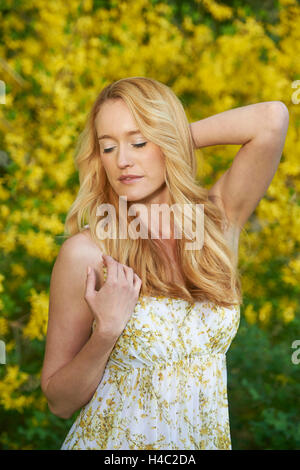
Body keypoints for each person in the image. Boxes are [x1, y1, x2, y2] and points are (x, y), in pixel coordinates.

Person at [41, 77, 289, 450]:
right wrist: (106, 332)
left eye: (138, 142)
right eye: (108, 148)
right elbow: (59, 401)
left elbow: (272, 118)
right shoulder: (87, 253)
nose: (123, 160)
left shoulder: (217, 225)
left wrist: (169, 137)